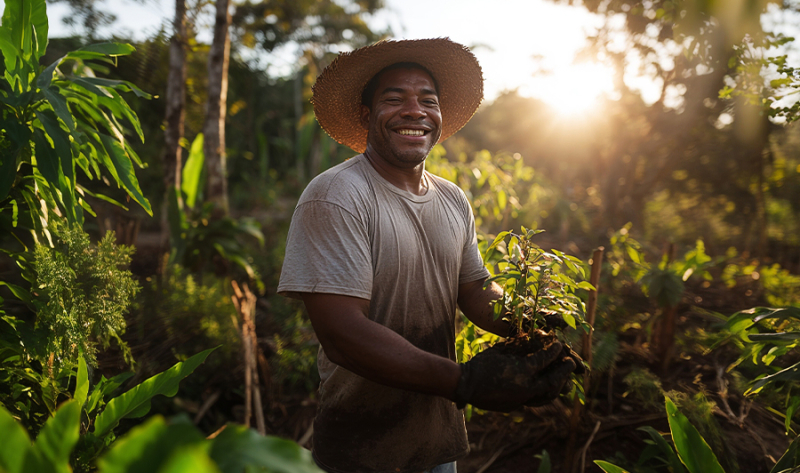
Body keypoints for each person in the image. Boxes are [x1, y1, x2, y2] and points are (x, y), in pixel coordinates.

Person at [278, 38, 577, 473]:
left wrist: (530, 320)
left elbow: (474, 288)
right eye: (394, 98)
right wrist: (466, 381)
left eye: (427, 100)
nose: (414, 110)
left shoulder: (452, 198)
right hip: (362, 447)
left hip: (437, 443)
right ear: (366, 115)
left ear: (439, 116)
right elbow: (342, 335)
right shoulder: (337, 195)